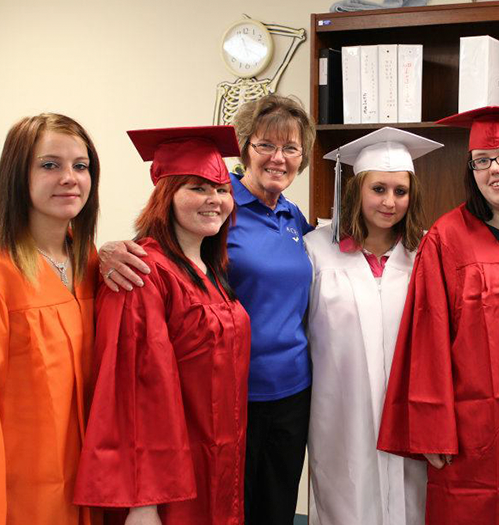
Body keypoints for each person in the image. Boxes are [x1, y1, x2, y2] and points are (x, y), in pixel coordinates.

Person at [96, 94, 316, 525]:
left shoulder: (292, 218)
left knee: (269, 508)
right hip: (223, 401)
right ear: (245, 147)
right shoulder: (217, 215)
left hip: (291, 392)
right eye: (266, 145)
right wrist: (104, 253)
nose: (279, 158)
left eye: (291, 148)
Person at [377, 106, 499, 525]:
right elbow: (427, 338)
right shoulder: (446, 239)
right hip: (476, 436)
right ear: (471, 170)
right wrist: (433, 426)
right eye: (482, 161)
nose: (496, 170)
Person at [73, 126, 251, 525]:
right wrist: (143, 501)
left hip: (219, 463)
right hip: (170, 480)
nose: (214, 200)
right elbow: (134, 392)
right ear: (166, 197)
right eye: (197, 188)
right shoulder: (141, 274)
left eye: (222, 189)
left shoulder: (211, 270)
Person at [305, 128, 443, 525]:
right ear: (356, 190)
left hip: (406, 414)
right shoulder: (316, 250)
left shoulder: (426, 253)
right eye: (378, 189)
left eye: (400, 191)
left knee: (410, 501)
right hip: (339, 412)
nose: (390, 202)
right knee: (344, 500)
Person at [0, 113, 101, 524]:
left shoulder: (93, 263)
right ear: (15, 174)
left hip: (93, 483)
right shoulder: (5, 273)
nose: (69, 178)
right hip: (24, 492)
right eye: (49, 165)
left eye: (81, 166)